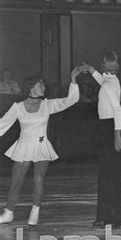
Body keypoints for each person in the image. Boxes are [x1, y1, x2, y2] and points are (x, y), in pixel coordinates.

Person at [0, 68, 81, 226]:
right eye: (40, 85)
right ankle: (8, 212)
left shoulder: (47, 105)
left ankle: (35, 212)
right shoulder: (17, 107)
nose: (44, 88)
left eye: (43, 85)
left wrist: (73, 80)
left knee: (38, 180)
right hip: (23, 147)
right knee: (16, 182)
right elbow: (1, 125)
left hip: (41, 146)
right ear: (31, 87)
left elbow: (70, 100)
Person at [82, 51, 121, 229]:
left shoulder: (109, 83)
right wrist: (92, 70)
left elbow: (118, 110)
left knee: (111, 175)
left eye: (114, 64)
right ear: (104, 66)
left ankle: (113, 218)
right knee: (105, 174)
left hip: (110, 128)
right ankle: (104, 215)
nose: (113, 67)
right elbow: (104, 82)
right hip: (106, 128)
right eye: (110, 65)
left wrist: (117, 134)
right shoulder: (110, 81)